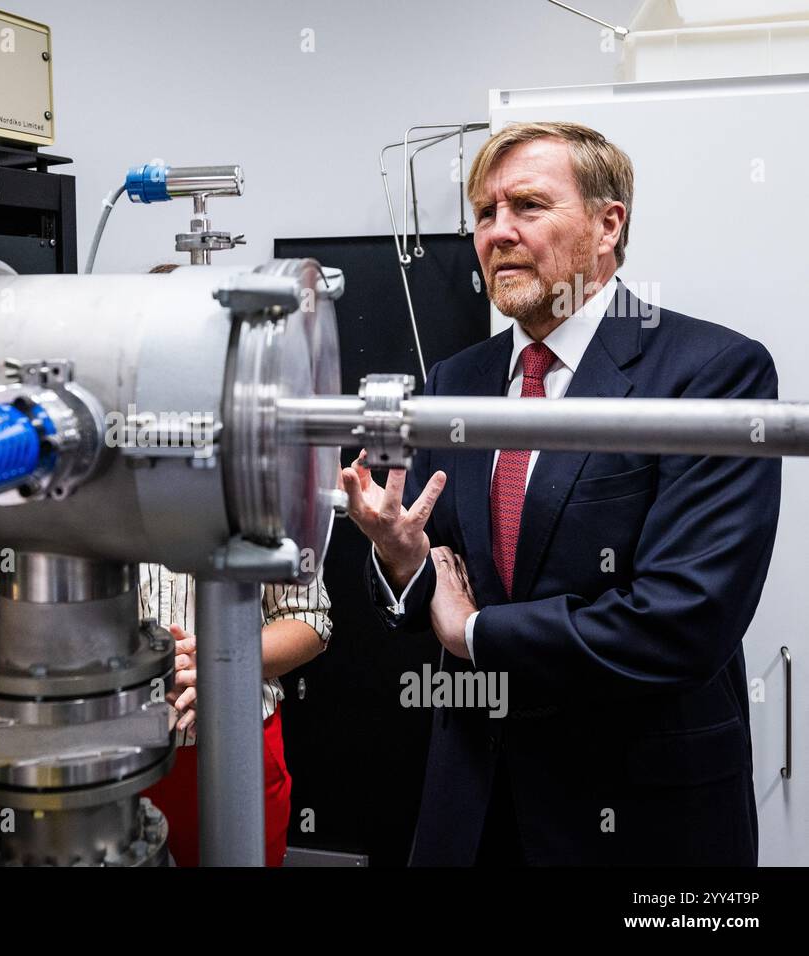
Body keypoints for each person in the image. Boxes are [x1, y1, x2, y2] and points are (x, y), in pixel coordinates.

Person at [342, 121, 779, 865]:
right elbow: (435, 580)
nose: (498, 232)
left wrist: (476, 635)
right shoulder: (459, 381)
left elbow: (683, 619)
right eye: (484, 213)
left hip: (638, 814)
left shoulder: (709, 374)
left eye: (528, 206)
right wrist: (400, 557)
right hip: (475, 806)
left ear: (609, 224)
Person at [137, 565, 331, 866]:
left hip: (240, 749)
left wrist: (224, 664)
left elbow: (308, 620)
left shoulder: (276, 514)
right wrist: (146, 675)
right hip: (118, 750)